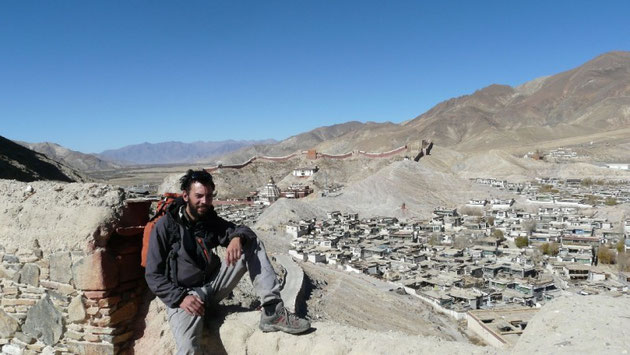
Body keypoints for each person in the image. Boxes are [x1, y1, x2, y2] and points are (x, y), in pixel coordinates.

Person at [145, 169, 310, 354]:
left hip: (213, 285)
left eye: (209, 196)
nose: (204, 202)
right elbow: (153, 275)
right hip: (187, 295)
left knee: (251, 243)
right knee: (188, 349)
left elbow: (243, 230)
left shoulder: (208, 219)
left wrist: (236, 237)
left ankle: (272, 310)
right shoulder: (165, 227)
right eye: (199, 196)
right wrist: (180, 298)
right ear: (185, 196)